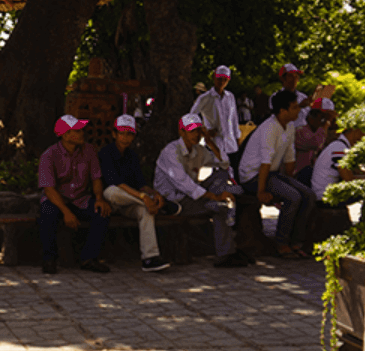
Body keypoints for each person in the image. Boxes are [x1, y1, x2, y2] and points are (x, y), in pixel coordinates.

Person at [154, 114, 254, 268]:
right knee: (219, 208)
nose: (195, 135)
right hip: (174, 200)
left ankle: (231, 249)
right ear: (182, 132)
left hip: (194, 197)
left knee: (221, 175)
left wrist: (210, 142)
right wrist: (214, 196)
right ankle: (225, 254)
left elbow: (224, 164)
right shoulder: (171, 151)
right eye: (191, 131)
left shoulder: (199, 150)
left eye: (198, 131)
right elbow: (183, 183)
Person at [238, 90, 316, 258]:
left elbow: (290, 158)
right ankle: (281, 244)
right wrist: (261, 192)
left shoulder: (289, 126)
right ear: (282, 111)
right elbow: (265, 163)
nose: (298, 111)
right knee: (293, 197)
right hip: (253, 176)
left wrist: (289, 182)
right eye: (294, 107)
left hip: (270, 174)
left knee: (307, 195)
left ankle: (297, 242)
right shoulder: (269, 128)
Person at [99, 114, 179, 272]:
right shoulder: (106, 153)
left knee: (145, 211)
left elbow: (141, 184)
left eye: (129, 134)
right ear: (114, 134)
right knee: (112, 191)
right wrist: (144, 198)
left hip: (131, 202)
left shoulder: (132, 156)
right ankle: (152, 204)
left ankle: (150, 258)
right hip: (112, 201)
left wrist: (153, 194)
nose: (125, 137)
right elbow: (117, 183)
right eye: (122, 133)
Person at [38, 114, 112, 274]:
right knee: (47, 214)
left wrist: (99, 198)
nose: (81, 133)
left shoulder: (89, 151)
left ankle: (89, 258)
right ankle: (49, 259)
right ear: (65, 135)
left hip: (81, 198)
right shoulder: (49, 155)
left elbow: (96, 178)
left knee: (102, 212)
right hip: (58, 200)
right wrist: (66, 212)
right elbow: (49, 189)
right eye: (77, 131)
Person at [190, 65, 240, 165]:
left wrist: (238, 139)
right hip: (214, 145)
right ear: (214, 77)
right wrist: (204, 131)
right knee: (218, 176)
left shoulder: (230, 97)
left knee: (234, 175)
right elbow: (191, 117)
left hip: (231, 145)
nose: (221, 82)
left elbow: (234, 119)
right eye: (219, 79)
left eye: (225, 80)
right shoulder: (205, 98)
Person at [312, 117, 365, 202]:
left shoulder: (340, 146)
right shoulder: (339, 148)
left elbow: (355, 173)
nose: (363, 137)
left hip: (327, 192)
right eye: (363, 133)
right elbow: (348, 179)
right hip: (324, 195)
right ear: (354, 131)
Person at [293, 98, 334, 185]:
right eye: (322, 117)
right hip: (298, 176)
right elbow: (316, 144)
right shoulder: (300, 132)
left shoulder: (321, 133)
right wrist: (324, 126)